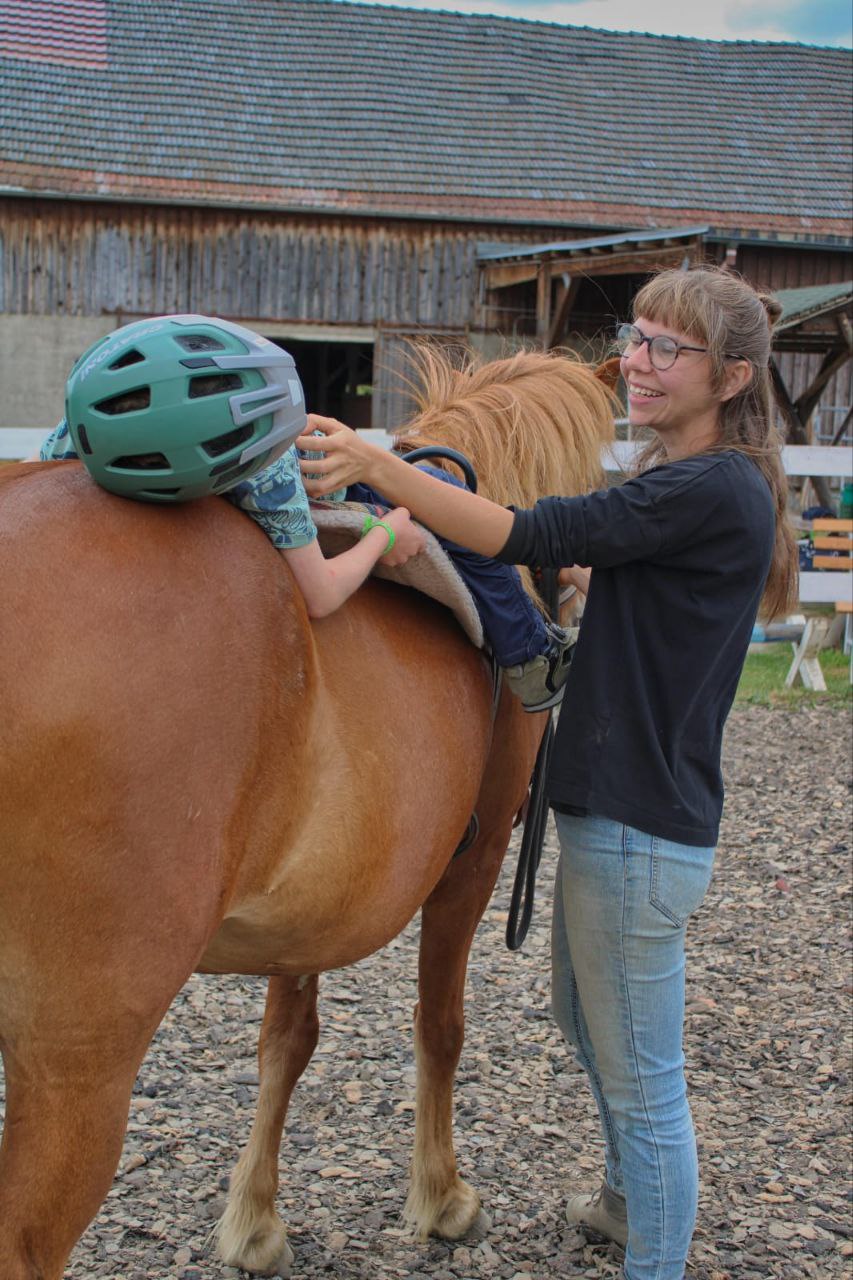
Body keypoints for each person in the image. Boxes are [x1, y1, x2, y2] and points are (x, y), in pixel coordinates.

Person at [295, 266, 798, 1280]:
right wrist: (588, 578)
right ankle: (623, 1199)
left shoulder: (699, 484)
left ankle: (650, 1250)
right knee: (586, 1018)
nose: (638, 361)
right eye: (637, 334)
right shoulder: (704, 489)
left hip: (633, 826)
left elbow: (523, 530)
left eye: (670, 348)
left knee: (646, 1078)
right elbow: (610, 563)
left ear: (732, 377)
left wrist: (379, 466)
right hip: (632, 814)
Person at [34, 313, 573, 709]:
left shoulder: (76, 435)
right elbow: (321, 593)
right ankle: (530, 657)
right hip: (334, 485)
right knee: (455, 508)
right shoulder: (272, 475)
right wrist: (383, 534)